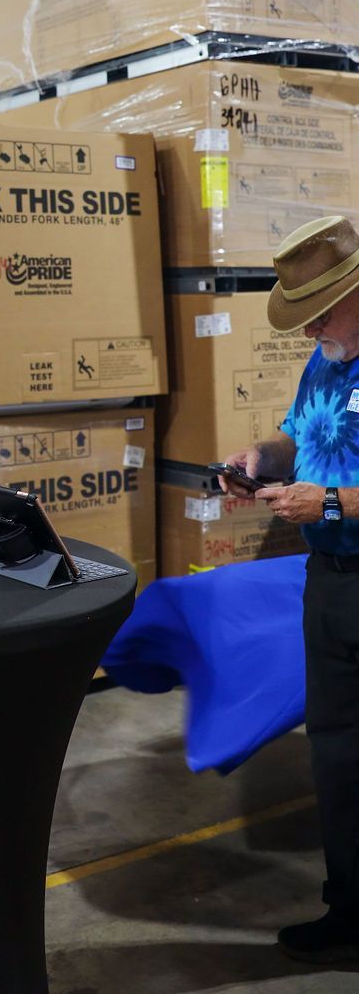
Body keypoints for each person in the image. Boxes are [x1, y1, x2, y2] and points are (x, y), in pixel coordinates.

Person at [220, 215, 359, 965]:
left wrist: (331, 502)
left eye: (320, 314)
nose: (309, 331)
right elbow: (296, 438)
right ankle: (350, 908)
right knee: (336, 752)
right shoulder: (329, 362)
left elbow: (336, 487)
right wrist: (259, 457)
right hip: (331, 581)